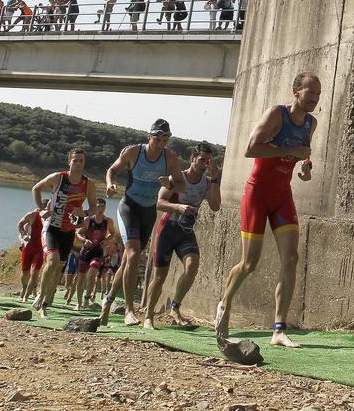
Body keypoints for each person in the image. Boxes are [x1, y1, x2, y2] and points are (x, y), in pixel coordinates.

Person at [215, 72, 320, 349]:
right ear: (295, 91)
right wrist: (293, 149)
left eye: (318, 95)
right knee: (250, 263)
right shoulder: (277, 114)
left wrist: (306, 169)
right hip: (257, 195)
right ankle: (225, 304)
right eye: (310, 93)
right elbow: (251, 149)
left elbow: (304, 158)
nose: (314, 99)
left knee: (292, 258)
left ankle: (279, 330)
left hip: (282, 195)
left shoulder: (311, 123)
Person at [102, 120, 186, 325]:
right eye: (157, 139)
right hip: (129, 207)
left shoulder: (170, 158)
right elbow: (112, 170)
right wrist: (110, 183)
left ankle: (108, 300)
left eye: (165, 140)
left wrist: (171, 184)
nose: (160, 144)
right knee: (132, 254)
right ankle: (129, 311)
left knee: (129, 261)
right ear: (149, 137)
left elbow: (181, 185)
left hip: (148, 212)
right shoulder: (133, 152)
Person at [143, 142, 222, 328]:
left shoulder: (208, 182)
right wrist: (178, 207)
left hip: (186, 232)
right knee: (160, 276)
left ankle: (175, 306)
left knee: (192, 266)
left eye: (209, 161)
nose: (205, 164)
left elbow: (215, 206)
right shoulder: (179, 178)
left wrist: (216, 179)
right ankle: (148, 315)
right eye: (202, 159)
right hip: (167, 230)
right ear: (193, 159)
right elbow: (159, 202)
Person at [30, 148, 97, 317]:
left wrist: (86, 213)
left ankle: (46, 301)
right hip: (52, 227)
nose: (79, 163)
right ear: (69, 162)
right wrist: (41, 209)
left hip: (69, 231)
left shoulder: (88, 184)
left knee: (59, 268)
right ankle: (39, 294)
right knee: (52, 262)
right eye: (75, 160)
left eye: (82, 160)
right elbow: (36, 188)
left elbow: (94, 207)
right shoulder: (58, 178)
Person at [76, 203, 117, 311]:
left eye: (103, 206)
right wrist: (84, 240)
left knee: (93, 270)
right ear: (95, 207)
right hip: (86, 251)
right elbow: (78, 233)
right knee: (80, 278)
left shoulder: (108, 221)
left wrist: (107, 240)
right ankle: (79, 303)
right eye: (98, 206)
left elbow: (112, 233)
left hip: (98, 251)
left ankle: (86, 298)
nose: (100, 209)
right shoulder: (88, 220)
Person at [17, 205, 46, 301]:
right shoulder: (32, 215)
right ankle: (25, 288)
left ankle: (27, 295)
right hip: (28, 247)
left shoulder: (52, 217)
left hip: (40, 249)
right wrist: (23, 235)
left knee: (35, 271)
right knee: (25, 271)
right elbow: (20, 224)